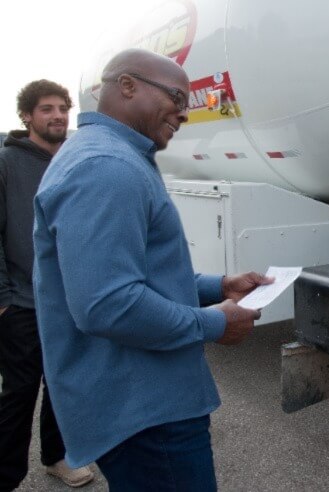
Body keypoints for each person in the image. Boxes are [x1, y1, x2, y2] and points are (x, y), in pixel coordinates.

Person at [32, 49, 271, 491]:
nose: (184, 113)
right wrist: (214, 323)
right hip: (145, 409)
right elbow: (107, 304)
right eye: (177, 98)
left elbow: (137, 276)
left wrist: (218, 286)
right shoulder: (105, 167)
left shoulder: (109, 155)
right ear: (127, 86)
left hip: (141, 401)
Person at [0, 80, 95, 490]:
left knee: (63, 384)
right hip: (21, 302)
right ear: (26, 115)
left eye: (62, 108)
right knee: (19, 394)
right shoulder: (6, 162)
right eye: (46, 109)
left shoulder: (74, 160)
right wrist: (3, 299)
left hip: (69, 301)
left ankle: (57, 457)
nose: (57, 115)